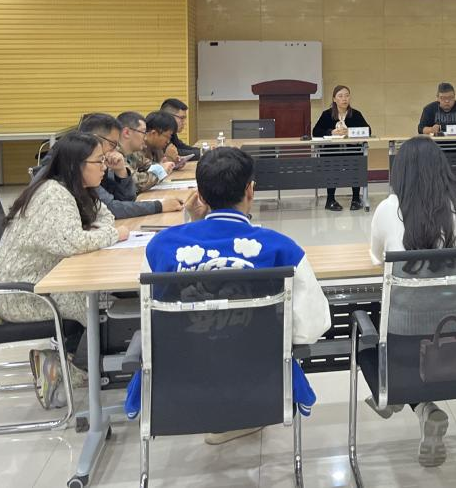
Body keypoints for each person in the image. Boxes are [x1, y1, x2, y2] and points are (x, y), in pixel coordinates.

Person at [137, 146, 333, 444]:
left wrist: (194, 224)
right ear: (250, 190)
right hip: (259, 380)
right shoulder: (283, 248)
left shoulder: (160, 246)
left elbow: (151, 319)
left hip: (180, 379)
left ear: (200, 196)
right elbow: (311, 326)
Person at [367, 136, 456, 467]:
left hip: (404, 343)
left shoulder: (388, 209)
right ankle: (421, 406)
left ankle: (398, 399)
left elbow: (377, 257)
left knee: (366, 335)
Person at [0, 131, 129, 409]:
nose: (104, 167)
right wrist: (114, 235)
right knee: (106, 310)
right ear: (76, 165)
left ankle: (74, 361)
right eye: (98, 161)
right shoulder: (53, 194)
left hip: (46, 282)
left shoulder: (76, 189)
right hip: (24, 293)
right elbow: (72, 242)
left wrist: (105, 231)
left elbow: (106, 216)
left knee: (108, 301)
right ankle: (67, 371)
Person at [78, 112, 181, 217]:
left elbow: (127, 199)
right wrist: (159, 206)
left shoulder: (105, 162)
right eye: (112, 144)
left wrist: (121, 172)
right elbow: (111, 208)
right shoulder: (82, 167)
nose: (115, 149)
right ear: (94, 140)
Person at [311, 84, 372, 212]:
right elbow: (315, 131)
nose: (344, 99)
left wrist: (350, 132)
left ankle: (356, 199)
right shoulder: (327, 114)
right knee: (331, 165)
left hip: (352, 151)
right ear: (334, 99)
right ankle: (330, 200)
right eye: (340, 96)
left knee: (356, 163)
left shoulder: (355, 114)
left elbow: (368, 130)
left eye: (347, 96)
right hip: (332, 152)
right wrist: (331, 132)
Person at [120, 110, 176, 193]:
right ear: (127, 133)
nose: (145, 137)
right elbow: (136, 183)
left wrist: (165, 165)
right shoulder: (114, 154)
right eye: (143, 132)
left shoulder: (134, 153)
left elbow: (148, 165)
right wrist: (161, 171)